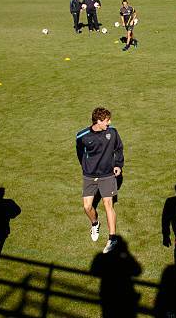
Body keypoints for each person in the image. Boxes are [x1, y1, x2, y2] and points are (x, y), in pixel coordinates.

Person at [76, 107, 124, 254]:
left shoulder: (112, 132)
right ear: (98, 121)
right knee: (87, 207)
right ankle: (95, 223)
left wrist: (118, 164)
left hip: (107, 175)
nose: (109, 122)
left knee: (108, 204)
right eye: (106, 121)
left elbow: (119, 148)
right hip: (89, 175)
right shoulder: (82, 136)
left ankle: (112, 238)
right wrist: (87, 167)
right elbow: (80, 154)